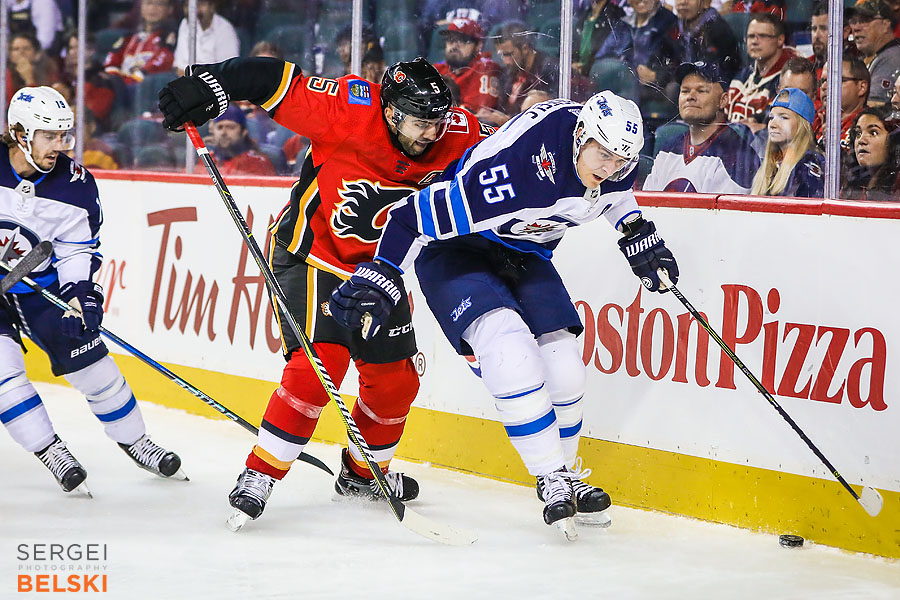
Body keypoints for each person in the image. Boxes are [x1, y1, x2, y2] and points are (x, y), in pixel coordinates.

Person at [157, 56, 493, 528]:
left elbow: (511, 157)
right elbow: (274, 80)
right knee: (319, 369)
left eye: (438, 123)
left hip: (380, 271)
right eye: (421, 123)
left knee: (397, 382)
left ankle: (362, 475)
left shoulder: (459, 133)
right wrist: (210, 82)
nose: (431, 135)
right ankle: (260, 474)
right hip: (312, 254)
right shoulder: (349, 109)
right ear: (392, 112)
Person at [327, 90, 679, 535]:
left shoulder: (608, 158)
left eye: (621, 160)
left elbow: (616, 196)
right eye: (603, 156)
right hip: (457, 251)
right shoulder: (512, 180)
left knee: (565, 366)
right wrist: (382, 271)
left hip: (525, 251)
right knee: (509, 350)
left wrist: (635, 234)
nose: (609, 169)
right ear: (581, 136)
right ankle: (550, 476)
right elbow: (408, 218)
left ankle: (566, 474)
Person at [0, 86, 183, 495]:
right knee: (3, 376)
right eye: (48, 135)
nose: (59, 145)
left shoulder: (75, 184)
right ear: (19, 132)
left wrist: (79, 292)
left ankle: (138, 442)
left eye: (64, 135)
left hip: (39, 287)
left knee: (94, 367)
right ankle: (51, 451)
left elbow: (76, 247)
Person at [644, 61, 760, 193]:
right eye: (685, 91)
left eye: (701, 91)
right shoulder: (668, 149)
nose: (690, 97)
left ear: (723, 100)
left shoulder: (739, 156)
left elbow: (724, 212)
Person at [726, 13, 796, 133]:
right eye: (751, 36)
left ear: (780, 40)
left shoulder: (790, 77)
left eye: (762, 36)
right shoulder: (742, 76)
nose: (754, 41)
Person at [750, 88, 824, 198]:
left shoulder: (809, 164)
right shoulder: (771, 163)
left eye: (783, 117)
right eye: (771, 117)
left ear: (802, 126)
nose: (772, 124)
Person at [433, 16, 502, 114]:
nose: (454, 45)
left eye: (463, 40)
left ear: (478, 45)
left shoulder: (485, 67)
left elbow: (473, 113)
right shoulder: (437, 69)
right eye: (450, 39)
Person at [494, 21, 559, 121]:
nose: (505, 61)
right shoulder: (511, 72)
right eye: (502, 55)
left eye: (508, 54)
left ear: (525, 48)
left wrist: (505, 121)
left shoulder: (549, 71)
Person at [103, 0, 177, 85]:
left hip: (146, 88)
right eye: (149, 3)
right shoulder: (129, 37)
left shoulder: (170, 37)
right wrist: (116, 82)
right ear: (141, 7)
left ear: (170, 9)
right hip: (121, 89)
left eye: (159, 4)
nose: (152, 8)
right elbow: (111, 63)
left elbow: (161, 64)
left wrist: (128, 82)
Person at [841, 106, 900, 201]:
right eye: (858, 133)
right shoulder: (850, 184)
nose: (861, 140)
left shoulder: (897, 186)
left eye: (873, 133)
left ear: (893, 140)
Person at [849, 0, 900, 106]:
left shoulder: (893, 57)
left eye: (865, 20)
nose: (856, 28)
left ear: (886, 24)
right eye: (853, 21)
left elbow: (875, 105)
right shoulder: (869, 57)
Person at [816, 57, 870, 151]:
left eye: (834, 80)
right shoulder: (816, 120)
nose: (824, 87)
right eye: (822, 81)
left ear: (862, 87)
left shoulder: (869, 126)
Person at [206, 104, 276, 176]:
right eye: (219, 127)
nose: (223, 133)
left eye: (230, 127)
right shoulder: (207, 160)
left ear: (243, 132)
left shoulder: (257, 163)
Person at [173, 0, 240, 76]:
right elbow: (180, 65)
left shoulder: (225, 29)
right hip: (186, 79)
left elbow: (227, 69)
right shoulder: (185, 23)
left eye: (200, 4)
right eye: (187, 5)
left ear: (212, 7)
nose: (195, 10)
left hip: (212, 83)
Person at [572, 0, 634, 77]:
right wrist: (572, 63)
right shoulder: (585, 15)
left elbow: (611, 54)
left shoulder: (616, 15)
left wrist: (585, 68)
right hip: (578, 73)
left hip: (598, 75)